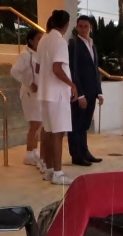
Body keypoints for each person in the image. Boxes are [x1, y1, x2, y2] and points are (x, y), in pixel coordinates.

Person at [36, 10, 76, 185]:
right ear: (66, 25)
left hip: (45, 93)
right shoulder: (59, 41)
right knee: (58, 134)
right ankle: (58, 173)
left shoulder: (44, 39)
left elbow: (38, 69)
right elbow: (57, 68)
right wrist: (72, 84)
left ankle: (50, 169)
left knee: (48, 131)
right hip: (57, 94)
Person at [68, 16, 105, 166]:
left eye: (86, 26)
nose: (83, 29)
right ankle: (76, 154)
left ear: (91, 28)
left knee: (85, 125)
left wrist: (99, 91)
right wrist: (80, 94)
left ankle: (85, 151)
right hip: (81, 93)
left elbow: (95, 70)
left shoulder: (92, 45)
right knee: (76, 124)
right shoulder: (74, 45)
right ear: (77, 27)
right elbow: (74, 70)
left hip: (91, 91)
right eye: (80, 26)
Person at [11, 29, 44, 167]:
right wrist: (29, 83)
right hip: (29, 94)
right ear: (30, 40)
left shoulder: (40, 54)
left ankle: (34, 150)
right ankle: (29, 153)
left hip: (39, 93)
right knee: (34, 124)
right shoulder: (25, 55)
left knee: (39, 123)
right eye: (38, 39)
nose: (40, 41)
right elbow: (14, 71)